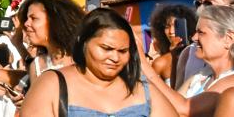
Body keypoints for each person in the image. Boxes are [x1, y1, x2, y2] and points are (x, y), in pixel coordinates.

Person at [20, 7, 176, 117]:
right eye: (106, 48)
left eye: (123, 51)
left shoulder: (143, 90)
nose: (115, 58)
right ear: (83, 42)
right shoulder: (51, 85)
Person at [142, 3, 234, 116]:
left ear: (228, 39)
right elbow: (171, 106)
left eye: (201, 32)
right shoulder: (200, 76)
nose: (194, 38)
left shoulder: (231, 81)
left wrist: (143, 64)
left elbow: (184, 109)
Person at [174, 0, 234, 87]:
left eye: (209, 3)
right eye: (198, 3)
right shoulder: (188, 53)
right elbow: (175, 101)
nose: (200, 9)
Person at [18, 0, 85, 80]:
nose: (26, 23)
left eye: (33, 18)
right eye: (27, 19)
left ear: (54, 21)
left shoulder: (82, 58)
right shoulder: (36, 66)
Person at [149, 5, 197, 86]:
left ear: (187, 26)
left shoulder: (200, 55)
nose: (171, 31)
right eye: (167, 27)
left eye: (176, 26)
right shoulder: (159, 64)